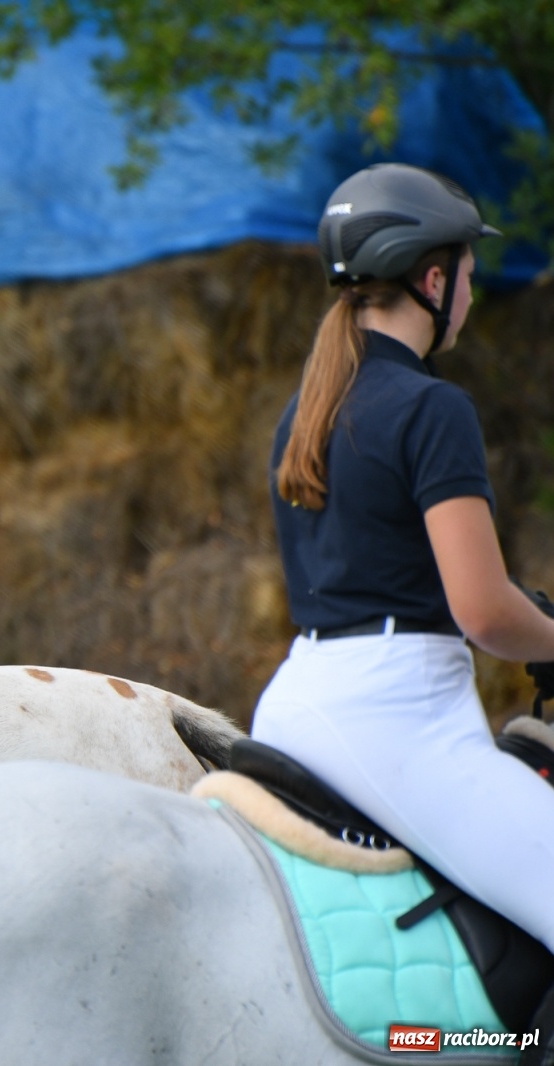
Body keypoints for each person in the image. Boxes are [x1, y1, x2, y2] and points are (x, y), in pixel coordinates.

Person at [251, 164, 554, 975]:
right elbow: (483, 612)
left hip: (297, 700)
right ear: (433, 278)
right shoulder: (432, 407)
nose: (469, 295)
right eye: (468, 275)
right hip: (398, 723)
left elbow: (380, 572)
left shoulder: (305, 410)